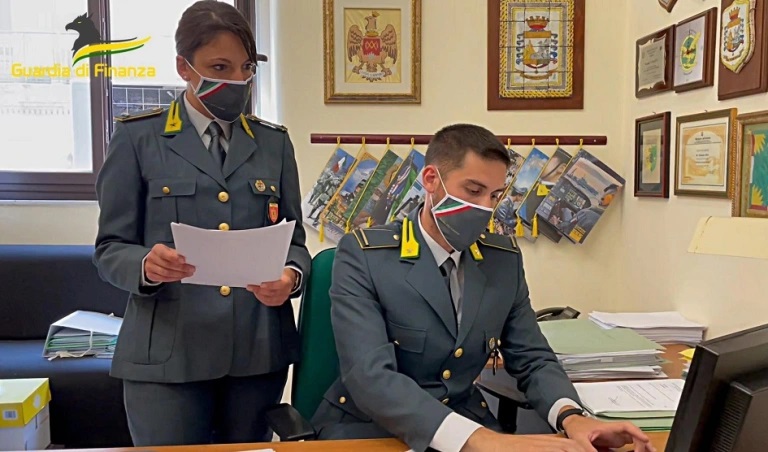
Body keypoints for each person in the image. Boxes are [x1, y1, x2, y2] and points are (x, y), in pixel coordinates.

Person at [311, 124, 654, 452]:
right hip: (371, 430)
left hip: (469, 420)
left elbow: (532, 357)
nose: (485, 208)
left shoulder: (501, 260)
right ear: (431, 180)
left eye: (494, 195)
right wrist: (478, 440)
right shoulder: (366, 256)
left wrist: (572, 417)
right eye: (473, 191)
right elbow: (369, 376)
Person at [92, 0, 310, 446]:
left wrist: (291, 276)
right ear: (184, 68)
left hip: (255, 352)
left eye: (246, 68)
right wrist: (146, 265)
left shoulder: (273, 143)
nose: (236, 81)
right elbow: (110, 249)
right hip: (166, 354)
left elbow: (295, 242)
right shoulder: (138, 138)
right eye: (219, 67)